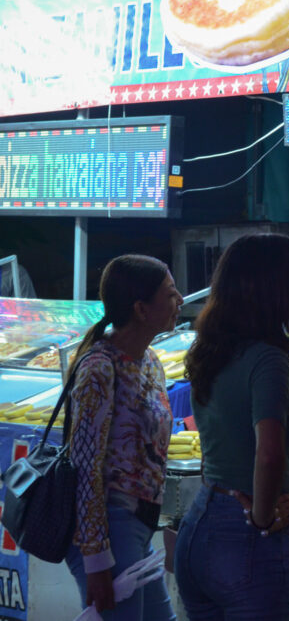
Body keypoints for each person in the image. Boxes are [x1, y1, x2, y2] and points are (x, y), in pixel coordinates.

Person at [174, 233, 289, 620]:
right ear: (280, 289)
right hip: (248, 538)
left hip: (200, 523)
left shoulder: (209, 350)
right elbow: (268, 454)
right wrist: (264, 517)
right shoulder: (268, 358)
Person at [65, 254, 183, 621]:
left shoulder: (151, 362)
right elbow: (85, 468)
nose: (180, 300)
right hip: (110, 528)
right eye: (171, 293)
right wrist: (96, 560)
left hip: (140, 527)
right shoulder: (99, 368)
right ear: (141, 309)